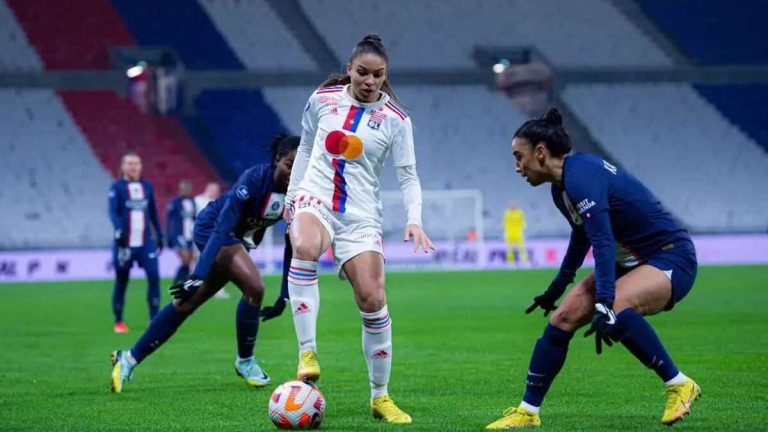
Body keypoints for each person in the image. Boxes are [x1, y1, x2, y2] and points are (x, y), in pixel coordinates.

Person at [486, 109, 700, 429]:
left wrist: (603, 300)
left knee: (615, 303)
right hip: (630, 264)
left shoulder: (582, 175)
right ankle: (528, 412)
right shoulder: (562, 189)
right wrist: (557, 287)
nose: (517, 166)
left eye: (519, 157)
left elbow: (601, 240)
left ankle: (679, 384)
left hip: (670, 258)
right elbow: (581, 237)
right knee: (562, 318)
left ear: (541, 152)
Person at [284, 34, 434, 425]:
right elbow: (304, 148)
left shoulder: (398, 121)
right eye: (363, 72)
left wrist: (414, 219)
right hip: (314, 197)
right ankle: (307, 351)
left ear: (386, 76)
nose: (369, 81)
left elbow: (408, 175)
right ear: (349, 69)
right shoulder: (323, 99)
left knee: (372, 299)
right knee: (304, 246)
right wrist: (292, 196)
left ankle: (380, 397)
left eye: (378, 75)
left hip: (360, 214)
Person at [109, 135, 299, 393]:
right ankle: (245, 361)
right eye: (290, 164)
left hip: (234, 241)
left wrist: (285, 295)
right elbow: (223, 225)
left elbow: (293, 242)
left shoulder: (297, 193)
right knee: (254, 287)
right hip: (213, 229)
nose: (293, 171)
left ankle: (128, 358)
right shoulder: (254, 179)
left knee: (187, 304)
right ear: (277, 160)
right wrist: (197, 273)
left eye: (301, 165)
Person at [108, 152, 164, 334]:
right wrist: (118, 231)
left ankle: (154, 319)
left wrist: (160, 234)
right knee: (122, 281)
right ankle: (119, 322)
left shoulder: (146, 186)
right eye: (130, 164)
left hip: (145, 242)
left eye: (136, 163)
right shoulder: (117, 187)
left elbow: (153, 211)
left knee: (154, 276)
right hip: (125, 244)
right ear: (123, 166)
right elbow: (113, 212)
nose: (133, 167)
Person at [166, 179, 196, 285]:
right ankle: (178, 281)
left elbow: (194, 217)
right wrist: (169, 236)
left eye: (188, 188)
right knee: (186, 259)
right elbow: (169, 220)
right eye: (184, 188)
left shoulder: (192, 201)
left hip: (190, 235)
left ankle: (183, 282)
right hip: (180, 235)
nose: (186, 190)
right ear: (180, 189)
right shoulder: (174, 202)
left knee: (190, 260)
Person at [503, 202, 529, 266]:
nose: (513, 206)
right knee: (509, 249)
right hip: (509, 233)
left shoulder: (520, 213)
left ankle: (525, 262)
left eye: (514, 205)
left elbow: (523, 222)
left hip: (518, 233)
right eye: (512, 205)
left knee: (522, 248)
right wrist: (505, 232)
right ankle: (511, 263)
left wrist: (523, 229)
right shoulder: (507, 213)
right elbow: (504, 223)